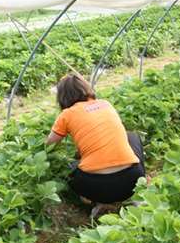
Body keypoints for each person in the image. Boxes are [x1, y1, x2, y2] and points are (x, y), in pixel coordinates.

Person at [46, 73, 146, 217]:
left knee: (69, 167)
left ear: (62, 97)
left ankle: (94, 202)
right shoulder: (105, 104)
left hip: (94, 188)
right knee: (132, 137)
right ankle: (138, 197)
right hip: (131, 182)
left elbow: (49, 145)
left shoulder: (66, 115)